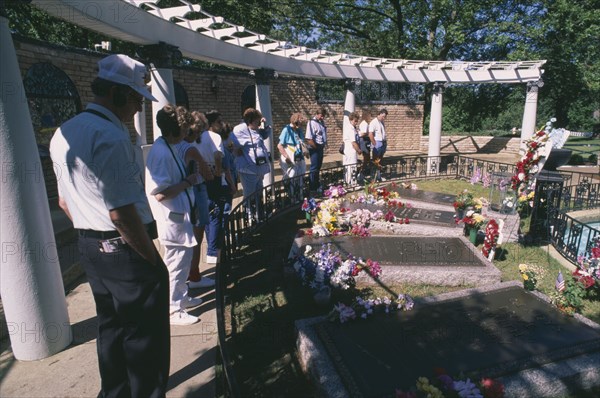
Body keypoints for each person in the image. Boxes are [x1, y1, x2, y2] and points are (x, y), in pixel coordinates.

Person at [49, 54, 170, 397]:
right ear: (117, 94)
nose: (136, 108)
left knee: (112, 328)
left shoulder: (64, 132)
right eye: (134, 100)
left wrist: (94, 232)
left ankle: (114, 392)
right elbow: (122, 215)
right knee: (145, 337)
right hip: (125, 248)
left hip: (90, 245)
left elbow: (63, 202)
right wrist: (150, 259)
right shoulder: (110, 136)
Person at [146, 105, 204, 326]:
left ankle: (182, 297)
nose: (187, 134)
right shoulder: (161, 153)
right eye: (184, 129)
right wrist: (188, 182)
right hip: (172, 220)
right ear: (174, 129)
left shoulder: (168, 146)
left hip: (181, 216)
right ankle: (173, 309)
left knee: (184, 260)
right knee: (176, 264)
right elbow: (160, 193)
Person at [174, 111, 216, 289]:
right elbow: (207, 174)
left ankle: (189, 274)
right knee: (196, 238)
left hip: (183, 194)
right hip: (196, 191)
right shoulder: (191, 149)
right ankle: (194, 275)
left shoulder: (175, 146)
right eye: (200, 132)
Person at [231, 108, 271, 220]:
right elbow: (235, 147)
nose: (259, 124)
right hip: (248, 170)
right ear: (250, 121)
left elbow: (265, 135)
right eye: (257, 122)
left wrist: (264, 123)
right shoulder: (240, 130)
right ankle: (248, 215)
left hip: (259, 169)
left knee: (258, 193)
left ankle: (258, 214)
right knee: (249, 194)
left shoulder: (255, 130)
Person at [277, 112, 307, 200]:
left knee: (300, 177)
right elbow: (280, 145)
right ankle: (292, 199)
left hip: (299, 158)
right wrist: (286, 157)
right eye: (299, 123)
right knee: (291, 178)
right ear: (294, 121)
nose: (300, 126)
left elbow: (301, 143)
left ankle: (300, 198)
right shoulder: (286, 129)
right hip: (290, 157)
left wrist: (305, 151)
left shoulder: (299, 130)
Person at [305, 107, 328, 193]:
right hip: (314, 147)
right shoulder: (311, 122)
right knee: (314, 168)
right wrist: (315, 147)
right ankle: (312, 188)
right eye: (321, 116)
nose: (322, 118)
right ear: (317, 114)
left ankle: (317, 185)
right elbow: (308, 138)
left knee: (318, 167)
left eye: (323, 116)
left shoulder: (321, 122)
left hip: (320, 147)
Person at [342, 111, 362, 185]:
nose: (356, 122)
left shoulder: (352, 128)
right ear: (351, 120)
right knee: (352, 166)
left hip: (350, 150)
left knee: (349, 166)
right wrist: (359, 150)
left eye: (357, 121)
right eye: (355, 121)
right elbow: (353, 142)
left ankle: (348, 182)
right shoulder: (350, 128)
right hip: (351, 150)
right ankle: (352, 183)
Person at [369, 108, 388, 182]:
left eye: (385, 117)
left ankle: (379, 176)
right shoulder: (373, 122)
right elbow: (370, 134)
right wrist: (374, 144)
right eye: (383, 116)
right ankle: (373, 178)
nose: (384, 118)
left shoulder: (382, 122)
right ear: (379, 114)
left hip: (383, 142)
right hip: (377, 143)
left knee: (380, 161)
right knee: (375, 161)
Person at [358, 110, 373, 182]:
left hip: (365, 141)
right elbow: (363, 133)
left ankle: (364, 172)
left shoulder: (365, 123)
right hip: (364, 141)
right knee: (366, 157)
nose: (370, 118)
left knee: (367, 157)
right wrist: (368, 133)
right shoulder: (364, 123)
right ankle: (361, 173)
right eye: (370, 116)